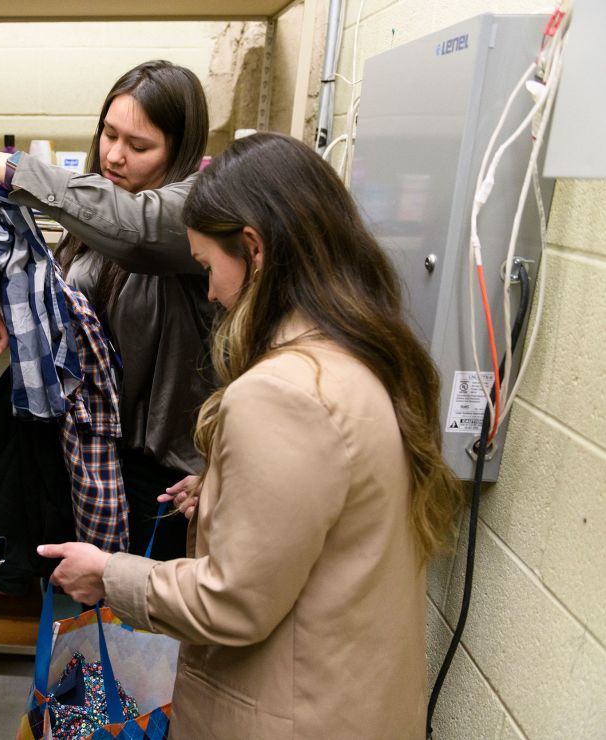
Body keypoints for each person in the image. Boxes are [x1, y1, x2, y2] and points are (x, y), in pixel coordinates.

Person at [38, 133, 463, 738]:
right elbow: (327, 512)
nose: (209, 291)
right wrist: (223, 488)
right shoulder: (364, 357)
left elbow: (231, 602)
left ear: (256, 250)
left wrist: (109, 575)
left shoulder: (282, 392)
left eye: (209, 267)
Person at [0, 59, 214, 561]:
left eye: (139, 146)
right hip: (92, 454)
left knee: (139, 625)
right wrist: (30, 324)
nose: (114, 155)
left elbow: (136, 233)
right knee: (84, 612)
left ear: (180, 151)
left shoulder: (197, 209)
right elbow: (92, 323)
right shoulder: (96, 205)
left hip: (163, 478)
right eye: (109, 134)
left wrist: (9, 169)